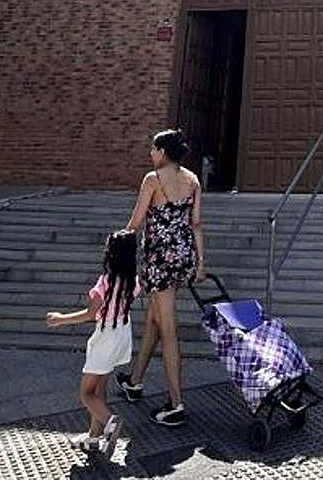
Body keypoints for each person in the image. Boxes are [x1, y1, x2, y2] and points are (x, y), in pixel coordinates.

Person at [116, 128, 206, 427]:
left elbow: (136, 220)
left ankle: (176, 403)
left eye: (153, 150)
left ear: (163, 152)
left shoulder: (152, 179)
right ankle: (135, 381)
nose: (150, 154)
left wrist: (117, 244)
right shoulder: (193, 180)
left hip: (159, 260)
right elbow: (196, 224)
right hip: (183, 258)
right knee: (155, 320)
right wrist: (200, 263)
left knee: (168, 329)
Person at [45, 229, 141, 457]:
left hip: (105, 337)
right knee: (100, 386)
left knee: (86, 393)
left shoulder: (105, 281)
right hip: (122, 334)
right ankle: (93, 437)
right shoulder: (133, 280)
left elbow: (91, 313)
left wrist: (61, 319)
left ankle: (110, 422)